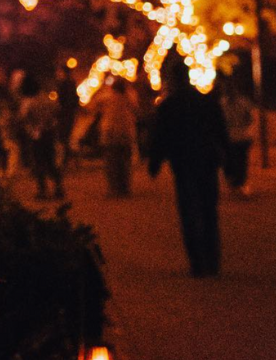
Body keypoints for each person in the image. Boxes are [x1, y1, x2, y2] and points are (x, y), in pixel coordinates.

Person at [148, 59, 229, 278]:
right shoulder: (206, 101)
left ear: (173, 79)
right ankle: (212, 261)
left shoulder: (168, 106)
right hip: (207, 162)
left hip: (183, 164)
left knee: (189, 213)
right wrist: (228, 162)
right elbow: (221, 132)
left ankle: (197, 263)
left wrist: (154, 163)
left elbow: (160, 137)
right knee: (209, 211)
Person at [18, 73, 64, 199]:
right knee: (51, 161)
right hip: (49, 133)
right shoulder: (47, 99)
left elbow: (23, 117)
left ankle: (42, 190)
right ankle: (58, 188)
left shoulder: (28, 102)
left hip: (36, 134)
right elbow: (57, 111)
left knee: (38, 163)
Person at [91, 77, 138, 197]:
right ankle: (125, 187)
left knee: (111, 162)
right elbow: (136, 110)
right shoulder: (130, 97)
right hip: (125, 132)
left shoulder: (106, 97)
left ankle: (113, 188)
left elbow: (92, 106)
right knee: (125, 162)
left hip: (110, 132)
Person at [219, 77, 255, 197]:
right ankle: (238, 182)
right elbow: (249, 118)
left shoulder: (223, 104)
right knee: (237, 161)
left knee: (234, 161)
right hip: (239, 136)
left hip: (234, 137)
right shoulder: (242, 102)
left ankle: (237, 182)